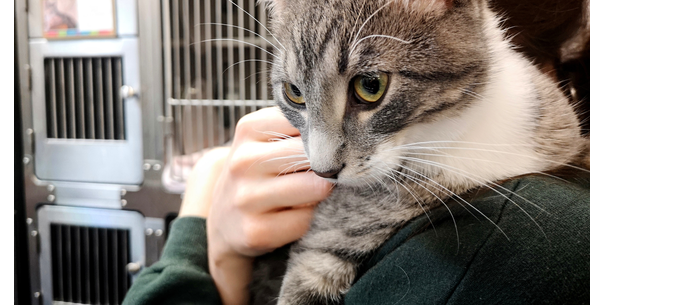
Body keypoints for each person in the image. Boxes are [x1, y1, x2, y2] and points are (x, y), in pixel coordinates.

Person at [123, 108, 590, 305]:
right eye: (299, 96)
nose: (321, 163)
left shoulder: (490, 249)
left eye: (368, 84)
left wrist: (201, 225)